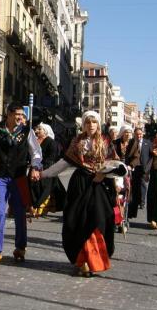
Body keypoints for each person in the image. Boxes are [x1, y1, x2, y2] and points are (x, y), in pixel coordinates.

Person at [39, 110, 115, 277]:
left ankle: (94, 261)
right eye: (88, 122)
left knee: (97, 220)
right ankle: (83, 261)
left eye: (94, 122)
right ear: (84, 125)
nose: (91, 125)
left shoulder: (105, 142)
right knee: (77, 222)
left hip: (98, 185)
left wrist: (104, 174)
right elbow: (63, 163)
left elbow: (114, 164)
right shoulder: (77, 141)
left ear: (98, 124)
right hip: (79, 184)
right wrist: (43, 174)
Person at [0, 103, 42, 265]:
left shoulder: (26, 131)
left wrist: (36, 166)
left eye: (22, 115)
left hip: (19, 177)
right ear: (8, 114)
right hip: (0, 176)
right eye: (17, 114)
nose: (20, 118)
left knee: (20, 214)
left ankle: (20, 247)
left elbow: (36, 152)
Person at [30, 122, 62, 217]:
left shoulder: (51, 142)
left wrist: (42, 166)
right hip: (35, 168)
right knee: (33, 188)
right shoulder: (34, 141)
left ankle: (41, 209)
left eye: (40, 129)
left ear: (45, 131)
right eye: (37, 129)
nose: (37, 131)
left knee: (45, 189)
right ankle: (33, 207)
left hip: (47, 168)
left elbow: (51, 157)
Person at [126, 127, 152, 218]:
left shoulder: (148, 143)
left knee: (143, 185)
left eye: (140, 134)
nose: (139, 136)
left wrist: (148, 168)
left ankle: (142, 202)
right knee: (135, 185)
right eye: (137, 134)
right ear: (134, 134)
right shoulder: (131, 142)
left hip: (144, 168)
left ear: (143, 134)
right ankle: (135, 201)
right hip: (134, 167)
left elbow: (151, 156)